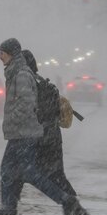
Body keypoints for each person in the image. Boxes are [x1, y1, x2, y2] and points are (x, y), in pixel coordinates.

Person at [0, 38, 89, 215]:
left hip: (24, 133)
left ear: (10, 53)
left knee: (30, 173)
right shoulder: (16, 73)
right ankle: (9, 208)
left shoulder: (21, 75)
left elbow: (26, 104)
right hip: (22, 132)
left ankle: (67, 201)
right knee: (10, 171)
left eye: (2, 53)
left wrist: (14, 120)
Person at [22, 49, 78, 197]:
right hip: (51, 136)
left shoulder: (31, 84)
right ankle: (73, 205)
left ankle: (73, 205)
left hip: (42, 137)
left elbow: (34, 112)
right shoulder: (39, 81)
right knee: (54, 174)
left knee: (43, 174)